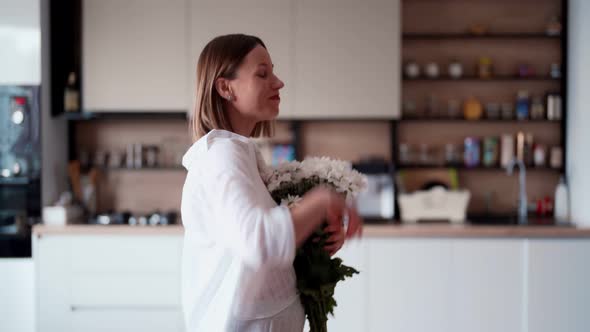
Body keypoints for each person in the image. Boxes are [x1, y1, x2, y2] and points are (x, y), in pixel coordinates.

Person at [180, 33, 363, 332]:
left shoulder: (243, 154)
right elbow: (258, 242)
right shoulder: (221, 156)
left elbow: (262, 249)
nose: (278, 83)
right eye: (262, 74)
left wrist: (316, 240)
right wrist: (322, 201)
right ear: (225, 87)